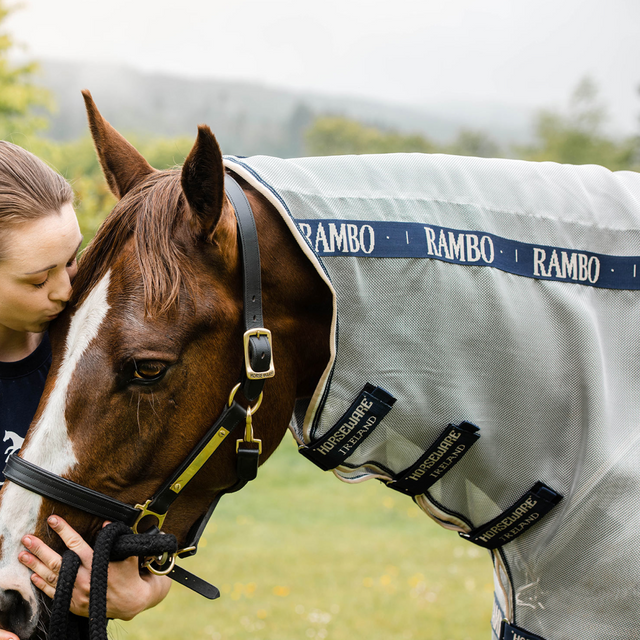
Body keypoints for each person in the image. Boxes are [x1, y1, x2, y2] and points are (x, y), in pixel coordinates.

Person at [0, 141, 171, 639]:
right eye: (37, 279)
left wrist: (145, 589)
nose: (66, 290)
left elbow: (155, 515)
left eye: (72, 260)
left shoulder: (98, 360)